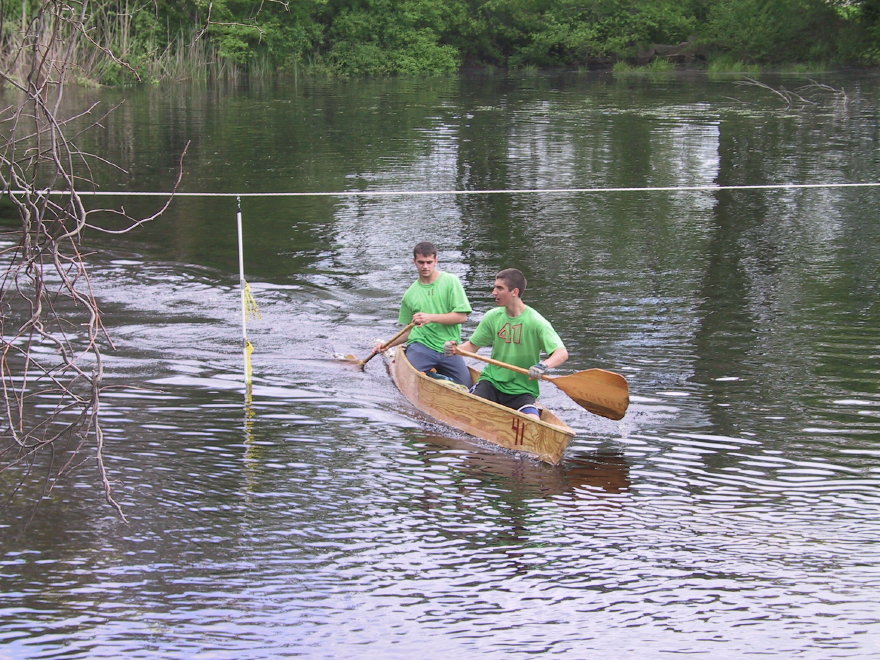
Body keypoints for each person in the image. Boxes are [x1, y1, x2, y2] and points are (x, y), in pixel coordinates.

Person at [445, 268, 568, 419]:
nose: (494, 292)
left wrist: (543, 366)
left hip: (521, 390)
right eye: (494, 287)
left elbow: (561, 353)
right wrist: (455, 349)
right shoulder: (492, 317)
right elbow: (472, 346)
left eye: (499, 288)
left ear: (514, 292)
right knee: (465, 413)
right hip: (491, 383)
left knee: (533, 421)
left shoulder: (536, 322)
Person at [376, 242, 473, 386]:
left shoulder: (451, 281)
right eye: (421, 262)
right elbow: (408, 331)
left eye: (429, 262)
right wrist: (387, 345)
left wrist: (431, 318)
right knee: (410, 381)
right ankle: (429, 376)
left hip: (449, 348)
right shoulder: (410, 294)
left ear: (436, 261)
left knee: (467, 387)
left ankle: (433, 376)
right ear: (414, 261)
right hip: (421, 346)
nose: (425, 266)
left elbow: (462, 317)